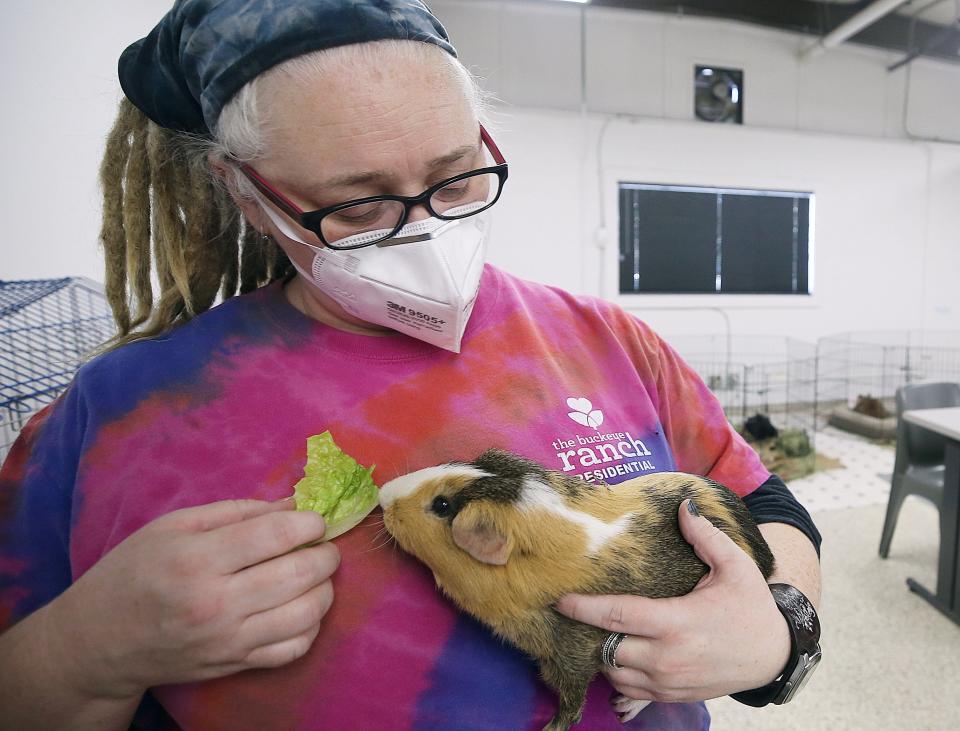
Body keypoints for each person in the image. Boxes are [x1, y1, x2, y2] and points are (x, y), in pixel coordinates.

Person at [0, 1, 822, 729]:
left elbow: (760, 499)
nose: (424, 229)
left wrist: (779, 631)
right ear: (245, 192)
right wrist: (89, 646)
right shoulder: (114, 414)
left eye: (457, 178)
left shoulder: (605, 337)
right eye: (358, 204)